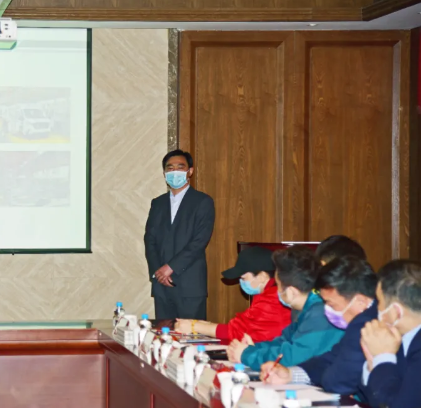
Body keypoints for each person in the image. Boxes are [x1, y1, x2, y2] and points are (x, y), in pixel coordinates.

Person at [261, 256, 378, 399]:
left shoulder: (368, 324)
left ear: (360, 302)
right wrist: (290, 374)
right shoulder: (363, 319)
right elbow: (330, 359)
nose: (326, 309)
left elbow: (337, 382)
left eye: (331, 304)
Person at [227, 245, 343, 370]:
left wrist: (247, 355)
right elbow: (283, 342)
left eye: (278, 285)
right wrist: (252, 349)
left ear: (291, 292)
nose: (276, 291)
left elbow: (292, 357)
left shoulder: (320, 312)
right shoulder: (306, 307)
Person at [144, 149, 215, 320]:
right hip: (161, 284)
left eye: (180, 167)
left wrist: (171, 268)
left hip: (190, 285)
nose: (174, 171)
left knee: (192, 334)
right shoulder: (158, 203)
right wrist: (158, 272)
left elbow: (199, 241)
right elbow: (149, 240)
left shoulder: (203, 201)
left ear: (190, 171)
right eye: (170, 168)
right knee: (164, 333)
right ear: (164, 173)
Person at [174, 246, 291, 343]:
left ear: (262, 277)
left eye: (244, 278)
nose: (241, 282)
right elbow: (244, 325)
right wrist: (198, 324)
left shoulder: (273, 298)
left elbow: (238, 332)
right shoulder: (267, 293)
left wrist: (195, 326)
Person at [360, 260, 421, 408]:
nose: (377, 309)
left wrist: (383, 358)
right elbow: (376, 400)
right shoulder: (401, 336)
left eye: (379, 302)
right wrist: (373, 362)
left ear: (395, 311)